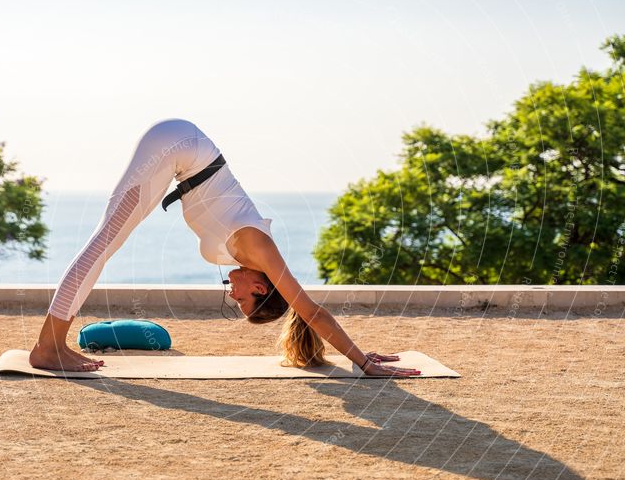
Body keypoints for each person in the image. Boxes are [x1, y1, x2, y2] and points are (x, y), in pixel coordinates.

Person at [28, 118, 421, 377]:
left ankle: (51, 344)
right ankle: (48, 348)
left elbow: (305, 317)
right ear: (261, 287)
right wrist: (362, 361)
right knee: (103, 242)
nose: (232, 296)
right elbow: (312, 312)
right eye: (242, 301)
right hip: (180, 147)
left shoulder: (246, 257)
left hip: (183, 155)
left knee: (105, 241)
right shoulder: (258, 247)